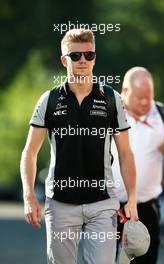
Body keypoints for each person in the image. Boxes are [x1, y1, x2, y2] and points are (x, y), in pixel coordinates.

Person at [20, 29, 138, 264]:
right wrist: (28, 195)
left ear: (95, 57)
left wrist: (132, 198)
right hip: (61, 202)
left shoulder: (111, 98)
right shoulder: (49, 100)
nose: (83, 60)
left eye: (89, 55)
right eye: (75, 56)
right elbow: (30, 152)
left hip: (103, 203)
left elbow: (125, 153)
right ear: (64, 60)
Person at [111, 66, 164, 264]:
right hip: (108, 206)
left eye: (149, 96)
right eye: (140, 98)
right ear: (125, 91)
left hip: (146, 208)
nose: (146, 102)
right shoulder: (109, 113)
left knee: (145, 261)